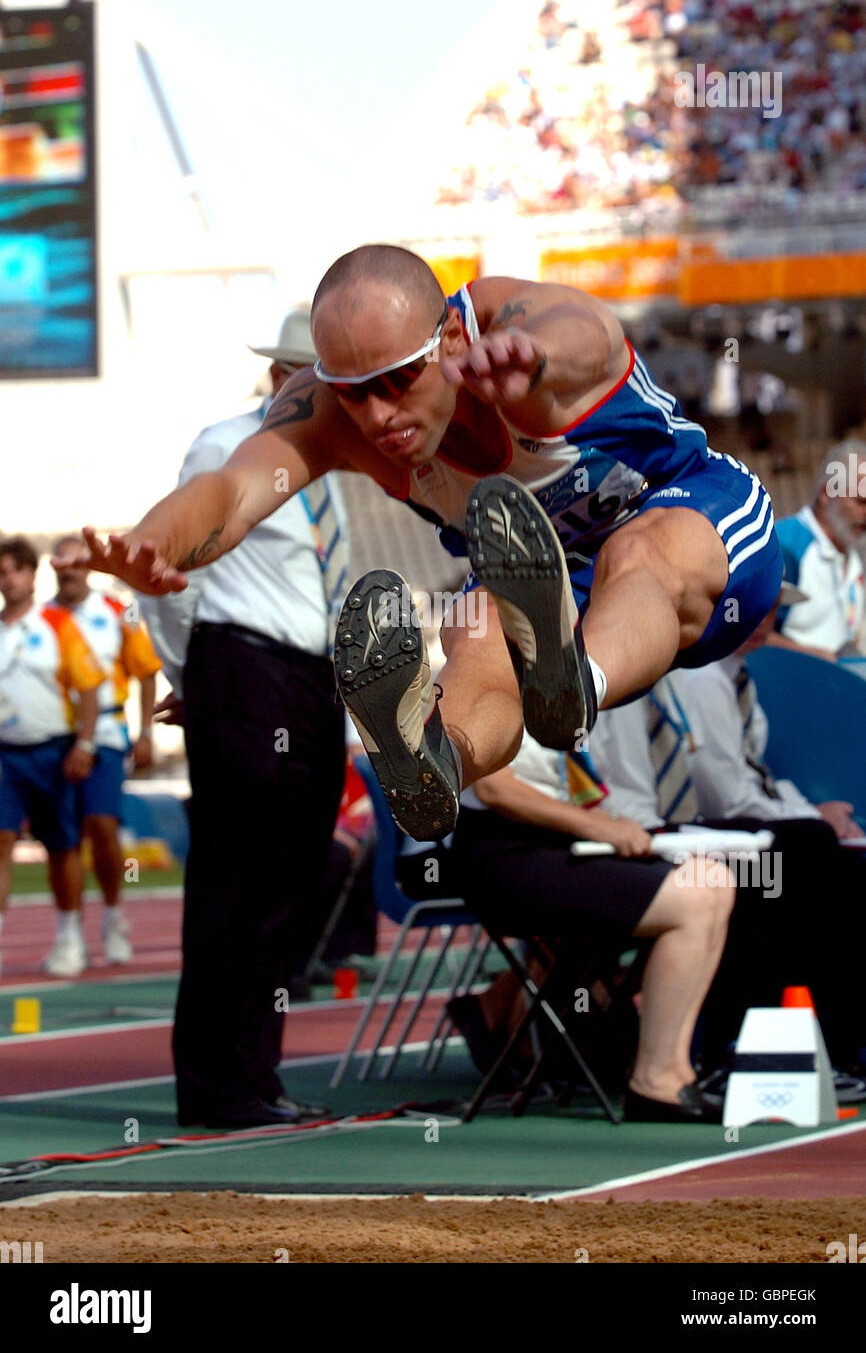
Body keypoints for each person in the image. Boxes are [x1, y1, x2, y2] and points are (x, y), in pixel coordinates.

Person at [58, 245, 782, 846]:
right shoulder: (329, 413)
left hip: (701, 530)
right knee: (479, 636)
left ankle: (573, 686)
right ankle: (436, 766)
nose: (379, 418)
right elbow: (232, 491)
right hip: (548, 577)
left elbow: (587, 331)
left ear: (455, 342)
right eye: (353, 392)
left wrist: (531, 362)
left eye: (400, 381)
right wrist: (152, 545)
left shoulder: (510, 325)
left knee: (639, 555)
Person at [138, 309, 348, 1129]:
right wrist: (191, 676)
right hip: (243, 666)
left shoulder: (348, 468)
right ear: (279, 379)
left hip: (318, 676)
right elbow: (166, 575)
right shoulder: (224, 444)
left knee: (295, 881)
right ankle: (217, 1084)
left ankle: (257, 1074)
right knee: (235, 880)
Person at [590, 599, 866, 1095]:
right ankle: (741, 1050)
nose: (765, 622)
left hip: (676, 829)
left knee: (810, 863)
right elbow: (720, 792)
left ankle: (823, 1047)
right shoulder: (660, 684)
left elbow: (748, 781)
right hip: (635, 835)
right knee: (783, 868)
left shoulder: (685, 680)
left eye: (773, 612)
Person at [439, 731, 735, 1121]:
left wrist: (607, 823)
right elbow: (496, 790)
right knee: (695, 895)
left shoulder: (546, 685)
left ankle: (674, 1070)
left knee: (714, 880)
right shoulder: (476, 678)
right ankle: (652, 1078)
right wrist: (598, 827)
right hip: (504, 856)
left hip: (559, 843)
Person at [51, 538, 162, 965]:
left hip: (108, 733)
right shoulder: (41, 617)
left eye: (75, 564)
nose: (68, 572)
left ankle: (113, 915)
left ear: (87, 567)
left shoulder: (119, 611)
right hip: (55, 736)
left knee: (102, 827)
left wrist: (146, 731)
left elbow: (148, 670)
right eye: (60, 565)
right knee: (63, 837)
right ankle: (69, 931)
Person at [0, 536, 104, 977]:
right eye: (1, 573)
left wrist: (84, 744)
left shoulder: (56, 623)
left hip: (53, 750)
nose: (9, 580)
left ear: (31, 573)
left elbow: (89, 686)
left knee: (61, 846)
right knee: (0, 842)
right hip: (5, 754)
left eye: (16, 570)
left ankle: (70, 935)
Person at [769, 438, 866, 660]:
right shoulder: (785, 546)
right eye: (860, 502)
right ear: (826, 493)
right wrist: (813, 657)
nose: (865, 514)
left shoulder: (851, 553)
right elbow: (746, 634)